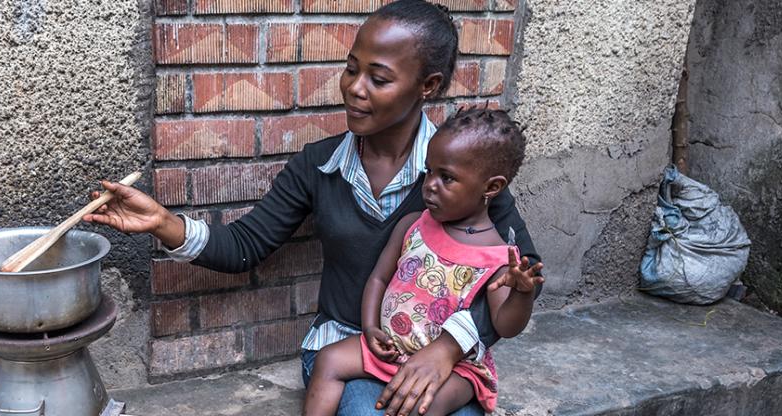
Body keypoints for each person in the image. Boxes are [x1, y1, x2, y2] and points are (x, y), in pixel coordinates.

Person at [85, 1, 542, 414]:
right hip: (346, 349)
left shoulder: (464, 176)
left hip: (441, 356)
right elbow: (244, 245)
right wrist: (164, 223)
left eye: (378, 79)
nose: (354, 89)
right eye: (350, 69)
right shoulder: (318, 166)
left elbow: (522, 272)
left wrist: (445, 349)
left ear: (428, 85)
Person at [303, 108, 544, 416]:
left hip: (455, 368)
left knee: (422, 407)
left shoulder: (497, 258)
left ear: (491, 188)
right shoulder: (414, 225)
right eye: (429, 171)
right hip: (393, 348)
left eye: (447, 178)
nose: (429, 185)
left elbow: (505, 326)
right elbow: (378, 279)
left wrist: (522, 294)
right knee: (329, 359)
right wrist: (370, 326)